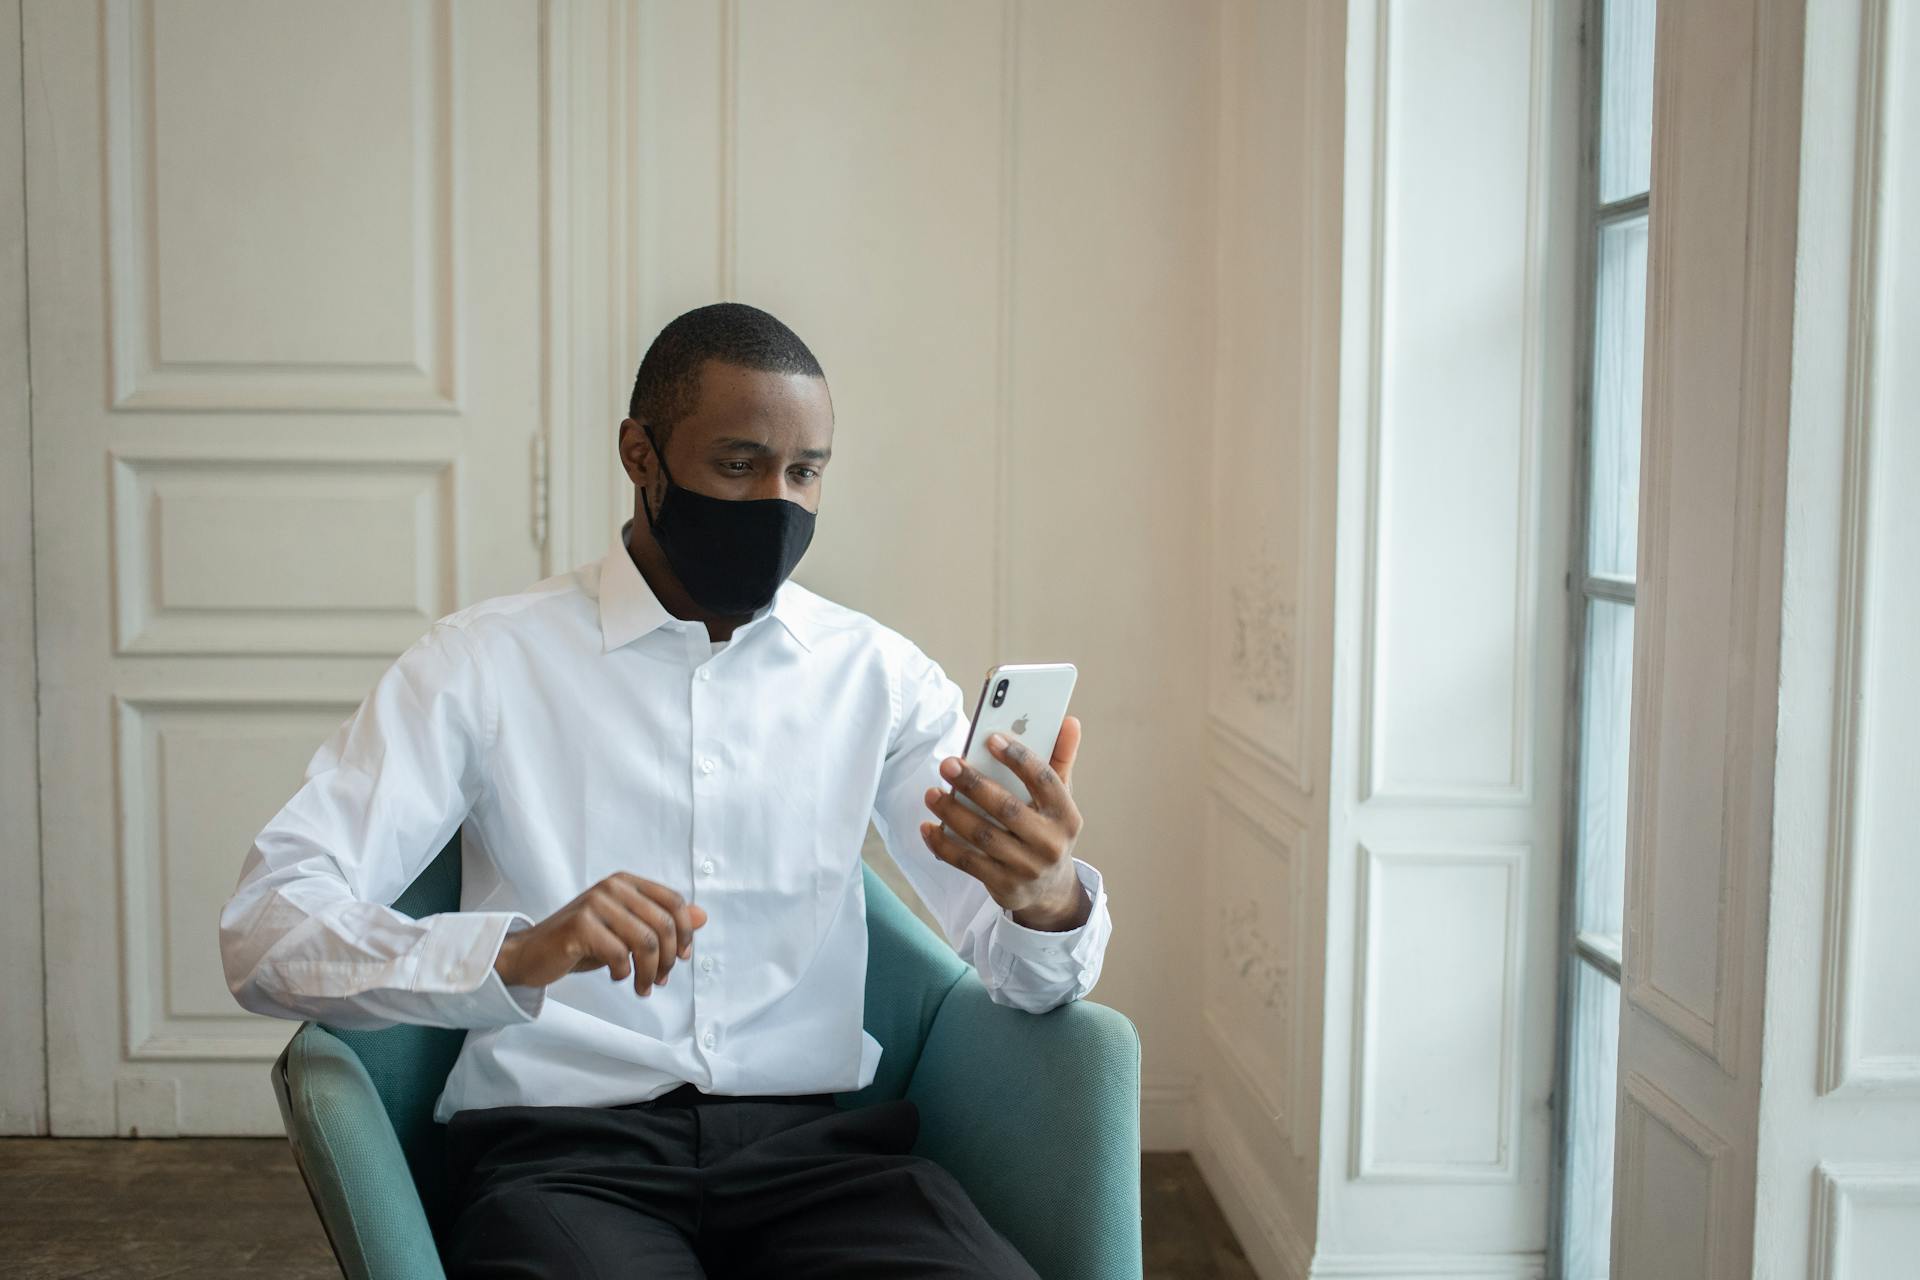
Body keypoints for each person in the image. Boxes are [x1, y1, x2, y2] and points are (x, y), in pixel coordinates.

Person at [218, 301, 1114, 1277]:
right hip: (563, 1158)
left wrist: (1046, 899)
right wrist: (519, 949)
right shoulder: (479, 665)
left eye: (805, 472)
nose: (777, 500)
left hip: (819, 1159)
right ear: (640, 455)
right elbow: (264, 925)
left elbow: (1029, 981)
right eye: (738, 463)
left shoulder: (878, 677)